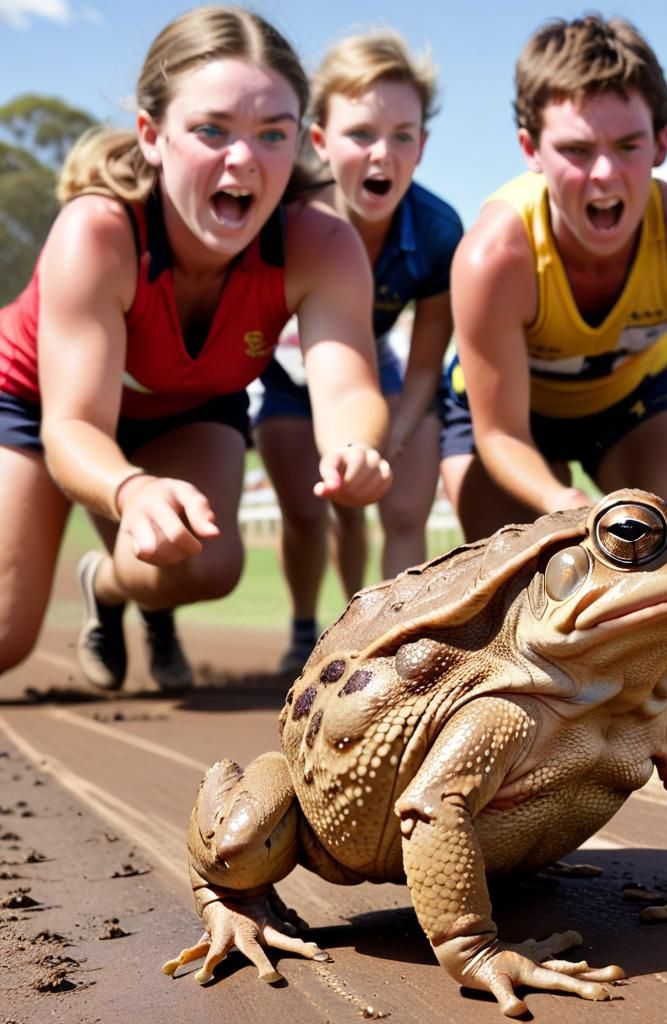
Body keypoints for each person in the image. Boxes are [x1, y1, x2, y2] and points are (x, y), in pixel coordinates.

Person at [0, 6, 391, 690]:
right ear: (152, 135)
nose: (242, 159)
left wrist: (354, 447)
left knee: (208, 564)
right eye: (211, 129)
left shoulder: (322, 245)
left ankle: (109, 588)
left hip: (187, 405)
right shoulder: (97, 233)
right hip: (39, 403)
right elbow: (72, 426)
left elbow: (350, 388)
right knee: (5, 634)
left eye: (273, 133)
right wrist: (131, 488)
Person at [440, 15, 667, 540]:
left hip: (635, 401)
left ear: (661, 142)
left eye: (628, 146)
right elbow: (501, 434)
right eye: (577, 151)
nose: (604, 173)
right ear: (529, 150)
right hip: (506, 428)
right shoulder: (491, 257)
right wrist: (565, 504)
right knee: (516, 584)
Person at [253, 30, 462, 675]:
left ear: (423, 145)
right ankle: (303, 628)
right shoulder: (279, 213)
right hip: (289, 371)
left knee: (402, 507)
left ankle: (394, 645)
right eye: (361, 134)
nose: (383, 154)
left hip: (386, 369)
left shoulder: (437, 229)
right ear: (318, 141)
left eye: (403, 136)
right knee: (309, 514)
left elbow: (428, 358)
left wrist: (394, 431)